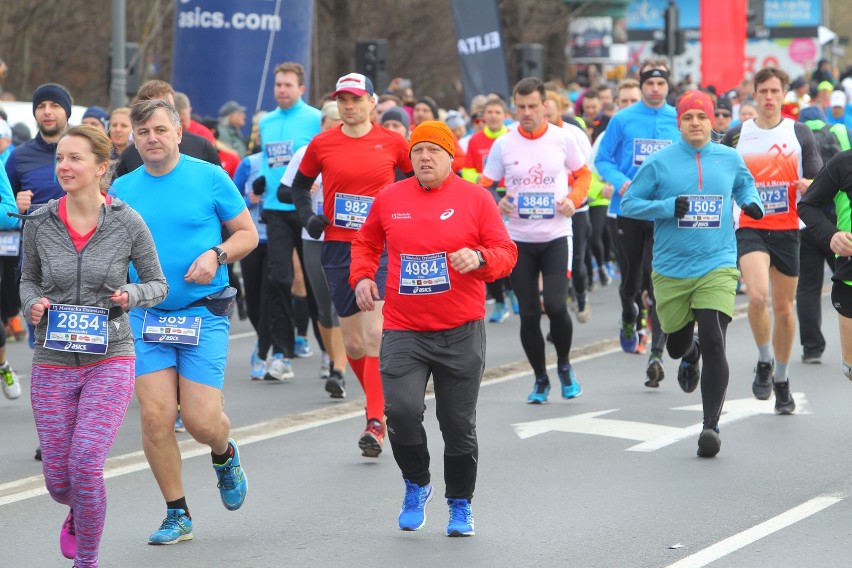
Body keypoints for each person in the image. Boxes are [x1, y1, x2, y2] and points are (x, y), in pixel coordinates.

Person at [350, 120, 517, 536]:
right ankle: (417, 482)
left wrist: (479, 259)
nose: (424, 158)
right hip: (404, 329)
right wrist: (362, 277)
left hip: (460, 329)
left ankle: (460, 504)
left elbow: (505, 253)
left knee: (457, 424)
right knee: (402, 412)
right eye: (418, 151)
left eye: (434, 151)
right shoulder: (390, 197)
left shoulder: (476, 199)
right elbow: (366, 243)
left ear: (450, 157)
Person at [111, 99, 258, 544]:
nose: (151, 139)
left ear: (178, 132)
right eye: (143, 132)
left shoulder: (209, 176)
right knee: (155, 418)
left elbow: (247, 234)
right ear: (134, 139)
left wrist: (216, 255)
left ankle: (223, 451)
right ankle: (177, 513)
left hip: (202, 312)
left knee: (199, 420)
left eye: (159, 130)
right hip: (147, 316)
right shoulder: (123, 189)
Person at [20, 124, 167, 566]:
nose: (64, 166)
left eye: (75, 158)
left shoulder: (127, 221)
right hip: (52, 360)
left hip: (111, 357)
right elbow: (27, 279)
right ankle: (77, 509)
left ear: (101, 168)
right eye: (60, 158)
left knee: (85, 463)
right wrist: (33, 303)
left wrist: (131, 295)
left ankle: (87, 559)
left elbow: (158, 284)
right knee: (58, 481)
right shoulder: (40, 222)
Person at [622, 90, 763, 457]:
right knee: (676, 345)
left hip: (717, 262)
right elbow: (629, 203)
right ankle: (690, 352)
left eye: (703, 117)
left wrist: (752, 202)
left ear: (713, 119)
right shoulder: (660, 162)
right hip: (671, 269)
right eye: (689, 118)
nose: (696, 123)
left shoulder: (729, 158)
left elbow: (745, 183)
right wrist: (667, 207)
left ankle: (710, 427)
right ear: (679, 123)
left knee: (717, 340)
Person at [291, 72, 412, 457]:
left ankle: (375, 421)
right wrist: (308, 217)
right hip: (339, 248)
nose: (349, 105)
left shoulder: (393, 142)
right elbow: (296, 187)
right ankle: (376, 404)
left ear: (372, 102)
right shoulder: (322, 143)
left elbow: (418, 183)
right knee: (355, 343)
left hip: (381, 246)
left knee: (375, 335)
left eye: (356, 99)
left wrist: (408, 221)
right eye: (343, 99)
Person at [481, 77, 591, 403]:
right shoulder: (504, 143)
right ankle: (541, 379)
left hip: (556, 235)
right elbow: (486, 184)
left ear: (545, 106)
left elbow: (584, 174)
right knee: (529, 313)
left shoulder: (563, 138)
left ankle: (565, 366)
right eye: (521, 107)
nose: (526, 112)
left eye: (533, 106)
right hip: (518, 240)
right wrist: (496, 200)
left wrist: (574, 198)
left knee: (556, 305)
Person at [721, 67, 823, 414]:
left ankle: (781, 379)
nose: (768, 98)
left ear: (783, 95)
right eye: (762, 91)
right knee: (758, 296)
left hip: (788, 228)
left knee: (783, 309)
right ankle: (764, 360)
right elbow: (720, 173)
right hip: (749, 224)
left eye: (774, 91)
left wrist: (809, 185)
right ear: (754, 93)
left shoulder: (799, 132)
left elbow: (816, 176)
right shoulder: (738, 135)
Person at [595, 60, 679, 386]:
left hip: (663, 212)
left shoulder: (678, 119)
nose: (655, 89)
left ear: (667, 86)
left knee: (658, 282)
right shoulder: (623, 120)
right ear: (642, 86)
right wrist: (619, 181)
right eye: (649, 84)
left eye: (660, 84)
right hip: (628, 209)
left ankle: (656, 354)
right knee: (630, 280)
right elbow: (602, 158)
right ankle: (629, 314)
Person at [6, 82, 75, 461]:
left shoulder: (81, 149)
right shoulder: (18, 158)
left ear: (66, 111)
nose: (47, 111)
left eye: (54, 105)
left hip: (85, 265)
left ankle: (78, 430)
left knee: (82, 350)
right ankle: (52, 436)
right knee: (46, 353)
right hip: (37, 266)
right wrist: (15, 204)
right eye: (42, 106)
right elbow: (3, 206)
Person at [256, 62, 321, 380]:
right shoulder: (266, 122)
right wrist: (258, 183)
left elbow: (326, 156)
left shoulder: (315, 118)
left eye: (288, 85)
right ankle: (282, 354)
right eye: (278, 84)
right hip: (275, 208)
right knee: (279, 279)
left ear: (301, 89)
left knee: (314, 279)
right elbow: (265, 161)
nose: (281, 90)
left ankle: (329, 353)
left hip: (305, 206)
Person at [280, 101, 348, 395]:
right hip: (315, 239)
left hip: (348, 239)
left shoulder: (354, 153)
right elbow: (285, 191)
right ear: (321, 127)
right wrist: (306, 198)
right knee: (323, 306)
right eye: (329, 127)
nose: (335, 134)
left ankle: (340, 370)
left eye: (340, 128)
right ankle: (332, 357)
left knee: (342, 306)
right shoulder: (307, 153)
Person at [796, 105, 851, 363]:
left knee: (808, 286)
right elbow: (807, 204)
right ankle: (813, 348)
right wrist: (832, 235)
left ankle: (812, 348)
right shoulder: (843, 160)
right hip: (846, 259)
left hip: (814, 234)